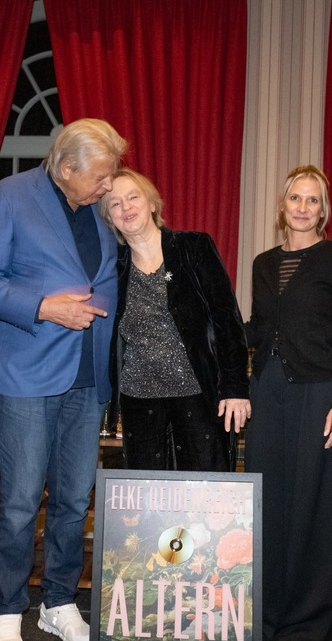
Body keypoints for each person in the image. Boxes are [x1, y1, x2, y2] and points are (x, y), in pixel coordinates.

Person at [0, 118, 127, 641]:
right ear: (65, 168)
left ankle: (58, 602)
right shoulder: (10, 197)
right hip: (28, 375)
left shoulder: (102, 208)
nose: (109, 186)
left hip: (88, 378)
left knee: (73, 501)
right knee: (17, 503)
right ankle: (6, 610)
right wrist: (43, 308)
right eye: (101, 177)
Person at [244, 165, 332, 641]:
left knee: (315, 510)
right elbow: (259, 329)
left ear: (324, 210)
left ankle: (309, 630)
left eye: (312, 199)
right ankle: (266, 619)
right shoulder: (263, 263)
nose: (302, 206)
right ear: (282, 205)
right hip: (269, 392)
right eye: (295, 197)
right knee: (266, 506)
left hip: (320, 394)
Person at [101, 168, 250, 471]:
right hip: (138, 404)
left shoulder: (193, 248)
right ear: (110, 217)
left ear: (152, 204)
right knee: (147, 508)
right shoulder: (110, 269)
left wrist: (234, 387)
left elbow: (227, 320)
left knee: (203, 503)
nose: (126, 207)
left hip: (198, 396)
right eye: (115, 204)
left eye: (133, 197)